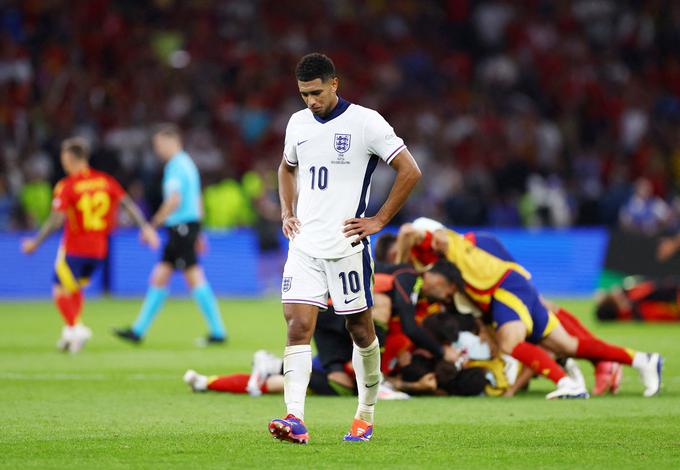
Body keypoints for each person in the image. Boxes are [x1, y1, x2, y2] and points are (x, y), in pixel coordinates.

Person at [269, 53, 421, 444]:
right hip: (304, 247)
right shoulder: (297, 123)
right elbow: (286, 167)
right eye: (303, 94)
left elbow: (410, 170)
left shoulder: (366, 122)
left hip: (346, 247)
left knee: (360, 330)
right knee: (298, 326)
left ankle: (365, 413)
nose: (310, 101)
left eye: (316, 92)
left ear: (334, 84)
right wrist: (287, 210)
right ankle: (295, 418)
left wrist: (379, 220)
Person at [397, 221, 664, 399]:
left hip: (507, 287)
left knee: (510, 342)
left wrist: (401, 261)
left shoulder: (446, 242)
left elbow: (409, 230)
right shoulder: (456, 283)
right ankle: (642, 360)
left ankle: (566, 383)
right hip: (512, 288)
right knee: (568, 345)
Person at [21, 137, 159, 353]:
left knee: (59, 289)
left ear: (71, 158)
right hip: (99, 251)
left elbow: (56, 219)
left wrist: (35, 243)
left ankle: (75, 327)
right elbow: (128, 205)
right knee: (74, 287)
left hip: (75, 247)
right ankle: (70, 335)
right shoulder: (106, 181)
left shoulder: (67, 186)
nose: (63, 164)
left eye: (64, 159)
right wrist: (145, 228)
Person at [114, 124, 227, 344]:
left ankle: (218, 332)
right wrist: (199, 231)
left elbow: (174, 200)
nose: (157, 150)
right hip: (186, 227)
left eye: (158, 145)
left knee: (193, 276)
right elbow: (197, 200)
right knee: (160, 275)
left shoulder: (176, 166)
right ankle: (138, 331)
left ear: (170, 141)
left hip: (181, 228)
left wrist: (152, 225)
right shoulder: (188, 164)